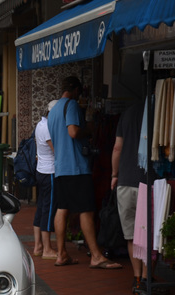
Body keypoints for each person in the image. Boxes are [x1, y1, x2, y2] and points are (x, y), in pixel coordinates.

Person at [47, 76, 122, 269]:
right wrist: (88, 130)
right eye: (79, 92)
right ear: (74, 89)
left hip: (61, 167)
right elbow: (73, 132)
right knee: (86, 210)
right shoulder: (70, 105)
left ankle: (61, 254)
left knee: (62, 208)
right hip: (77, 167)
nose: (79, 96)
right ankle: (96, 255)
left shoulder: (53, 111)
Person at [111, 101, 153, 290]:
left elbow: (117, 148)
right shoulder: (157, 110)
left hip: (125, 181)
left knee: (131, 235)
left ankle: (136, 279)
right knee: (148, 233)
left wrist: (114, 174)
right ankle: (146, 278)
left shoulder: (126, 113)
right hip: (148, 181)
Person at [33, 100, 58, 260]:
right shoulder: (49, 127)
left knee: (41, 207)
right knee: (48, 210)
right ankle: (47, 248)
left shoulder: (40, 125)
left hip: (41, 169)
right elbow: (56, 149)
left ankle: (38, 246)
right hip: (49, 171)